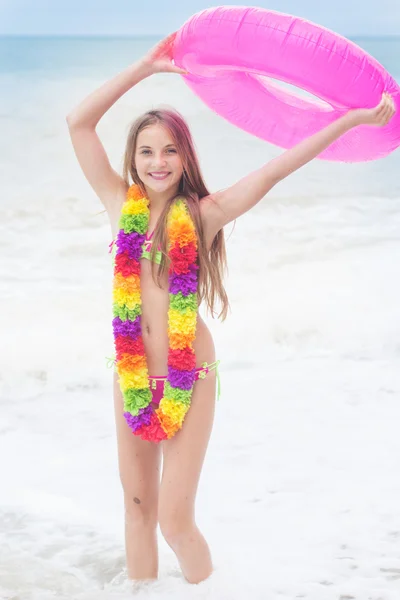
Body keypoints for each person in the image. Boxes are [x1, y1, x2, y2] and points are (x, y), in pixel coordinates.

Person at [66, 31, 395, 586]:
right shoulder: (119, 202)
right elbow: (79, 122)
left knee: (174, 520)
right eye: (146, 151)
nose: (158, 161)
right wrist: (147, 67)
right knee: (138, 508)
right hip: (132, 371)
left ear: (185, 157)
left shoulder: (203, 215)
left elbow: (275, 169)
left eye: (170, 149)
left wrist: (351, 122)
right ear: (133, 159)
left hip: (189, 375)